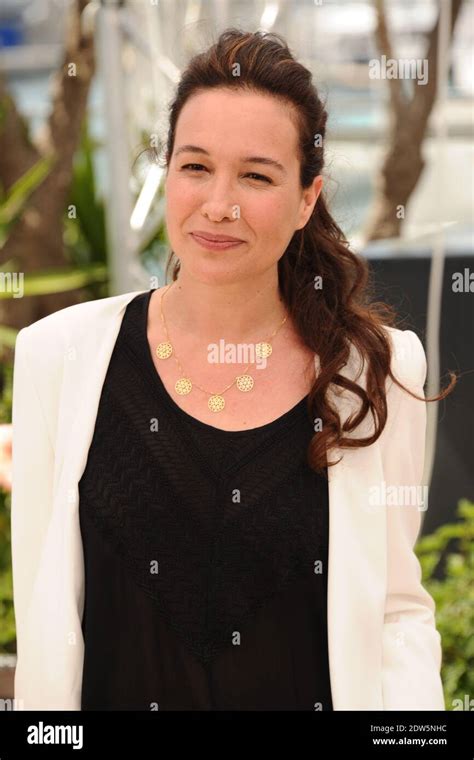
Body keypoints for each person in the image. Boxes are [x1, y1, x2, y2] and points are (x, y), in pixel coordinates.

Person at [10, 29, 455, 711]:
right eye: (194, 167)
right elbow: (48, 624)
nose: (219, 204)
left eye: (256, 175)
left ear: (307, 199)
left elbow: (397, 613)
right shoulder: (59, 359)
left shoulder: (377, 370)